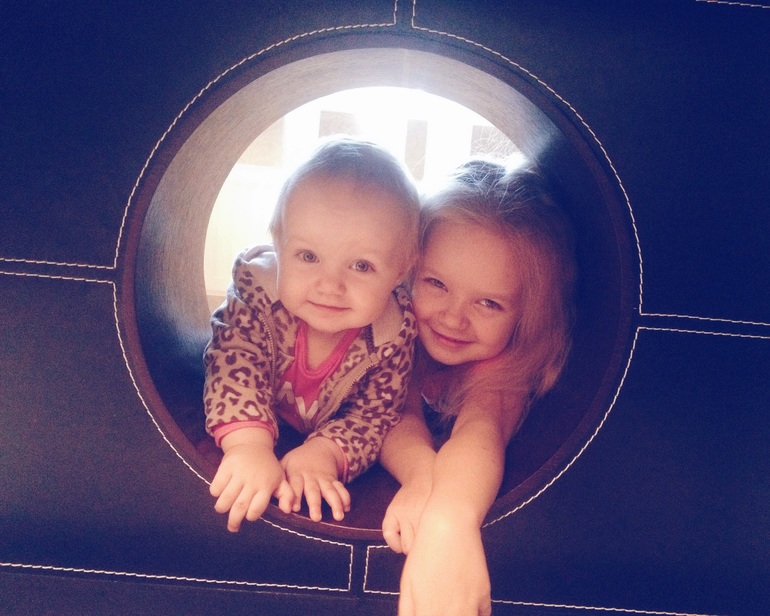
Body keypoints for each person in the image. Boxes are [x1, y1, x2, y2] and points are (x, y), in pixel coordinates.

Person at [379, 159, 577, 616]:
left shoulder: (504, 363)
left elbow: (481, 429)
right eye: (436, 283)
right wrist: (422, 474)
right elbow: (395, 413)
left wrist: (449, 523)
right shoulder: (396, 328)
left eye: (488, 302)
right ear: (408, 272)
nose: (453, 317)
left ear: (525, 315)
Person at [203, 137, 420, 532]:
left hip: (326, 430)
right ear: (277, 244)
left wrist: (325, 453)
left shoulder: (392, 333)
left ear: (402, 269)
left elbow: (375, 415)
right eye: (308, 256)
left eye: (361, 266)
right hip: (256, 418)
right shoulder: (258, 298)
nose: (330, 285)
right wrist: (248, 446)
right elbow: (232, 369)